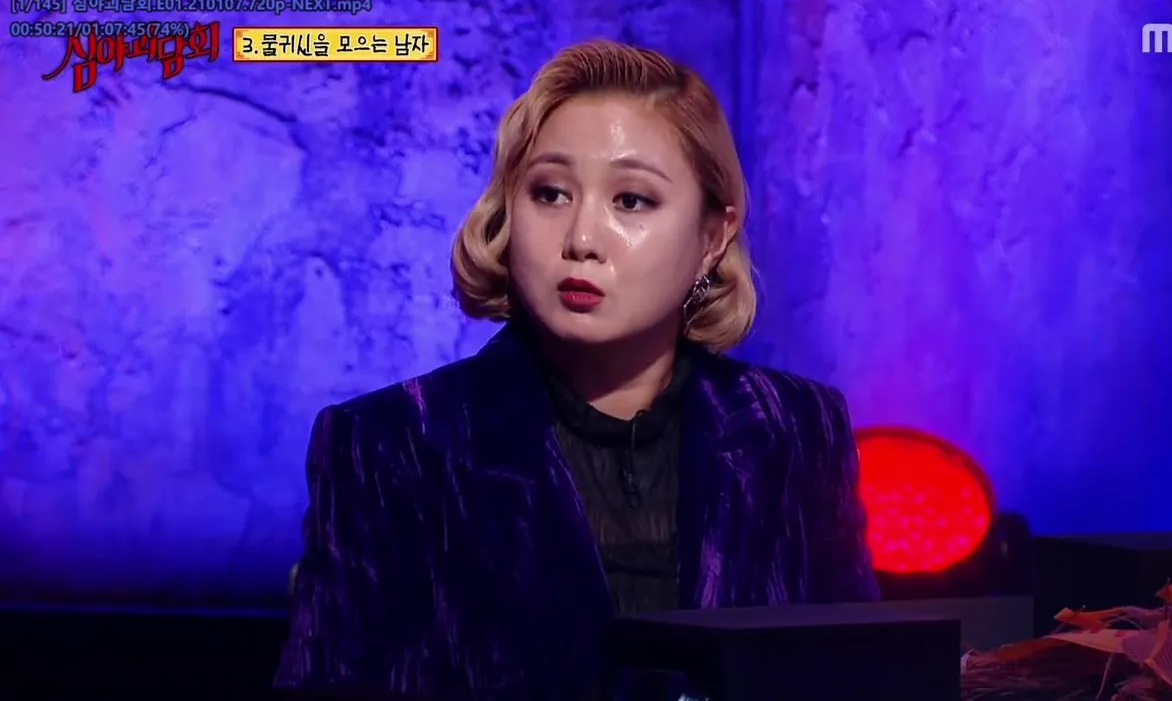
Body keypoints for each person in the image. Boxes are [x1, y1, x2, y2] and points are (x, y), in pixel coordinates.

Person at [275, 39, 880, 700]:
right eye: (551, 193)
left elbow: (856, 677)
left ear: (713, 237)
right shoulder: (393, 443)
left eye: (632, 201)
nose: (582, 240)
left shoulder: (795, 429)